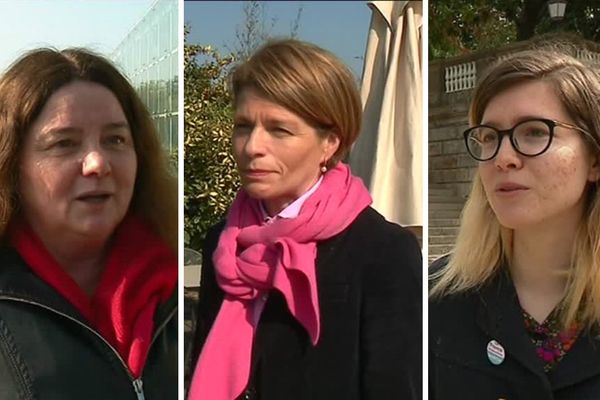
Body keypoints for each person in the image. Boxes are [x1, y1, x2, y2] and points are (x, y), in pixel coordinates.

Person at [188, 39, 422, 400]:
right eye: (243, 126)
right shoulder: (223, 240)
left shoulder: (382, 251)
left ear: (330, 142)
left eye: (279, 130)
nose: (252, 147)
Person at [0, 48, 178, 399]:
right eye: (64, 143)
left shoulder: (178, 292)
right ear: (11, 164)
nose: (97, 163)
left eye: (115, 140)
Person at [429, 48, 600, 399]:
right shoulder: (437, 296)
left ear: (594, 159)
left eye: (535, 132)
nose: (502, 158)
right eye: (489, 137)